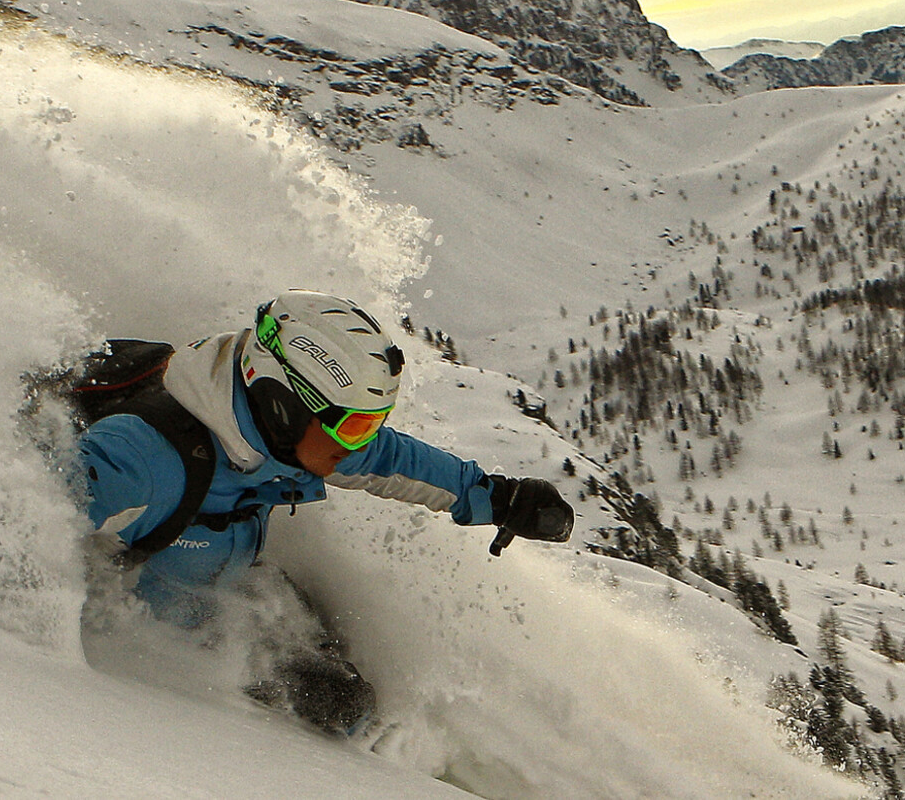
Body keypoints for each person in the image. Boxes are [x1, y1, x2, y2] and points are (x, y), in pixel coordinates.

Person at [77, 290, 574, 734]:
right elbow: (25, 553)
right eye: (356, 426)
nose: (360, 444)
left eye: (371, 424)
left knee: (353, 702)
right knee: (338, 712)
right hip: (165, 657)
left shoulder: (277, 438)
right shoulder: (136, 464)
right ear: (281, 403)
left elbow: (391, 459)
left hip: (229, 590)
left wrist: (498, 498)